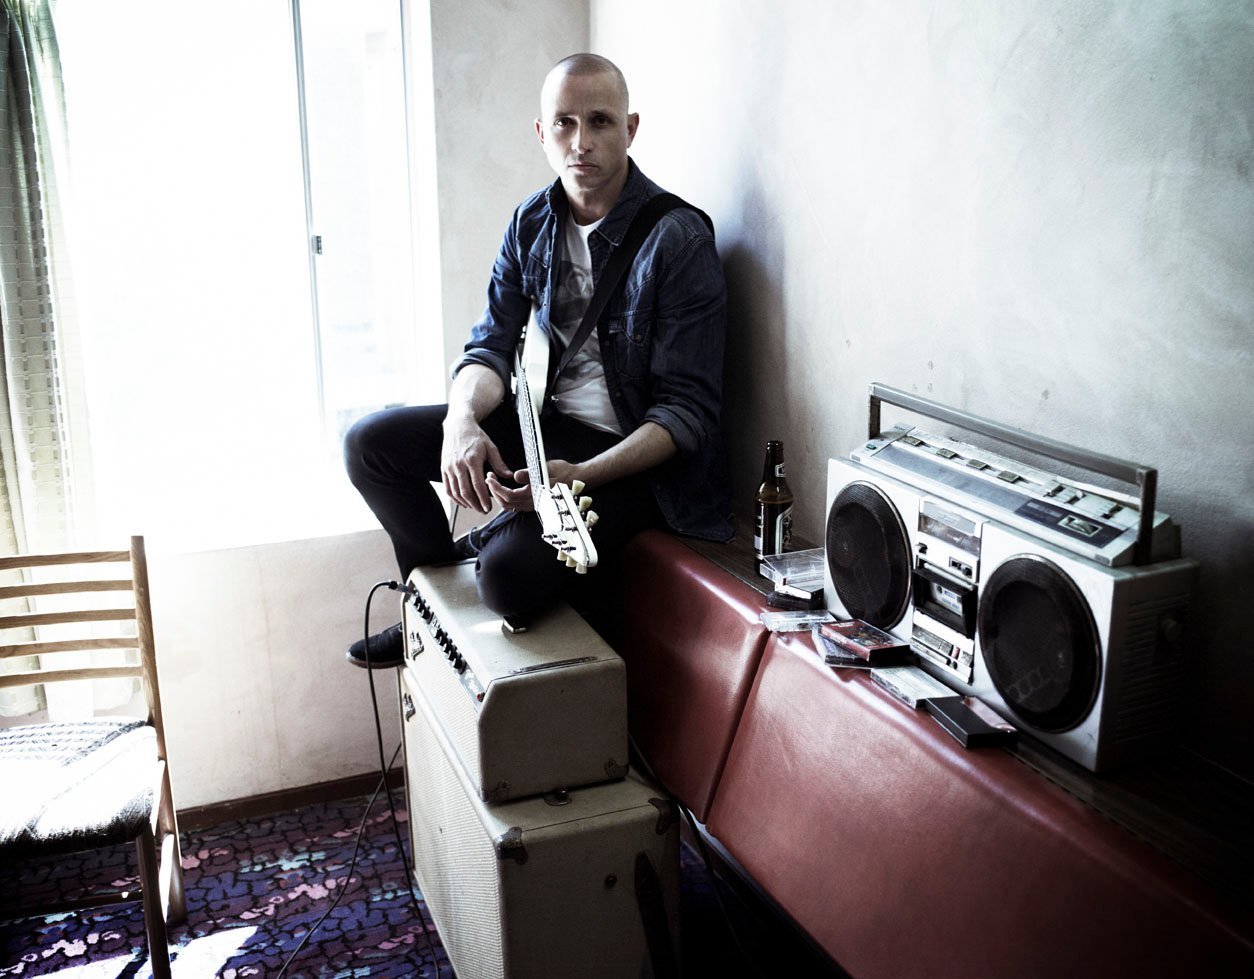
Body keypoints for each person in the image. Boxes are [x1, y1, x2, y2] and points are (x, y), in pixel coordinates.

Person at [343, 53, 731, 666]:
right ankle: (428, 610)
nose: (581, 142)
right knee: (369, 444)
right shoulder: (531, 222)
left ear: (630, 129)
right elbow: (490, 347)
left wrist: (579, 476)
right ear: (541, 133)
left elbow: (686, 415)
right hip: (546, 428)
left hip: (632, 460)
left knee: (505, 580)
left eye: (600, 121)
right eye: (564, 123)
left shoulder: (678, 241)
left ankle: (481, 553)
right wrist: (461, 422)